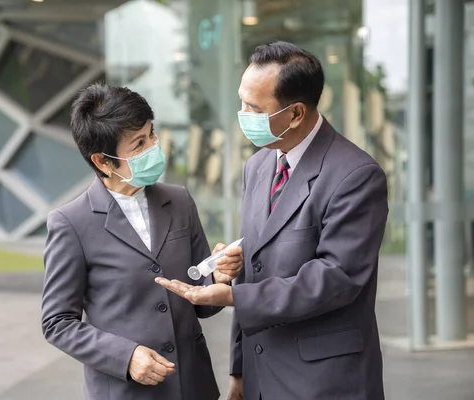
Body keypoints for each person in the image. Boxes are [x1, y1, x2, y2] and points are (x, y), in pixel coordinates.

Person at [157, 41, 388, 400]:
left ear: (295, 113)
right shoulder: (259, 165)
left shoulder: (355, 175)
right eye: (241, 101)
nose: (243, 113)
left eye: (253, 107)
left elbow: (335, 278)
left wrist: (235, 297)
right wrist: (239, 370)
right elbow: (256, 267)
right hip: (261, 374)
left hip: (324, 380)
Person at [41, 83, 244, 400]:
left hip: (194, 387)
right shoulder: (71, 223)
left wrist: (218, 275)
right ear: (103, 161)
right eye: (139, 143)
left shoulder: (179, 201)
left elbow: (201, 295)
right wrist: (126, 356)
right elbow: (57, 322)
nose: (154, 147)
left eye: (152, 134)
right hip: (127, 392)